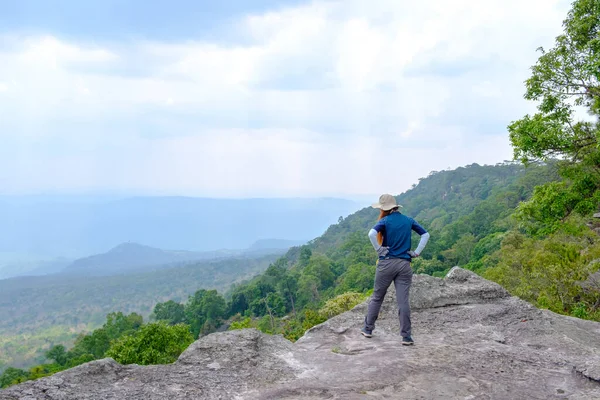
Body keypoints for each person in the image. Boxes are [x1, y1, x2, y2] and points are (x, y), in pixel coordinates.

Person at [361, 194, 430, 345]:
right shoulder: (408, 220)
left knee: (377, 297)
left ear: (384, 209)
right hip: (404, 265)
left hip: (386, 264)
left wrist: (379, 249)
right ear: (396, 207)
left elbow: (371, 234)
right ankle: (406, 336)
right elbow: (425, 234)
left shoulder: (385, 221)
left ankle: (368, 329)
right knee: (403, 301)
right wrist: (417, 252)